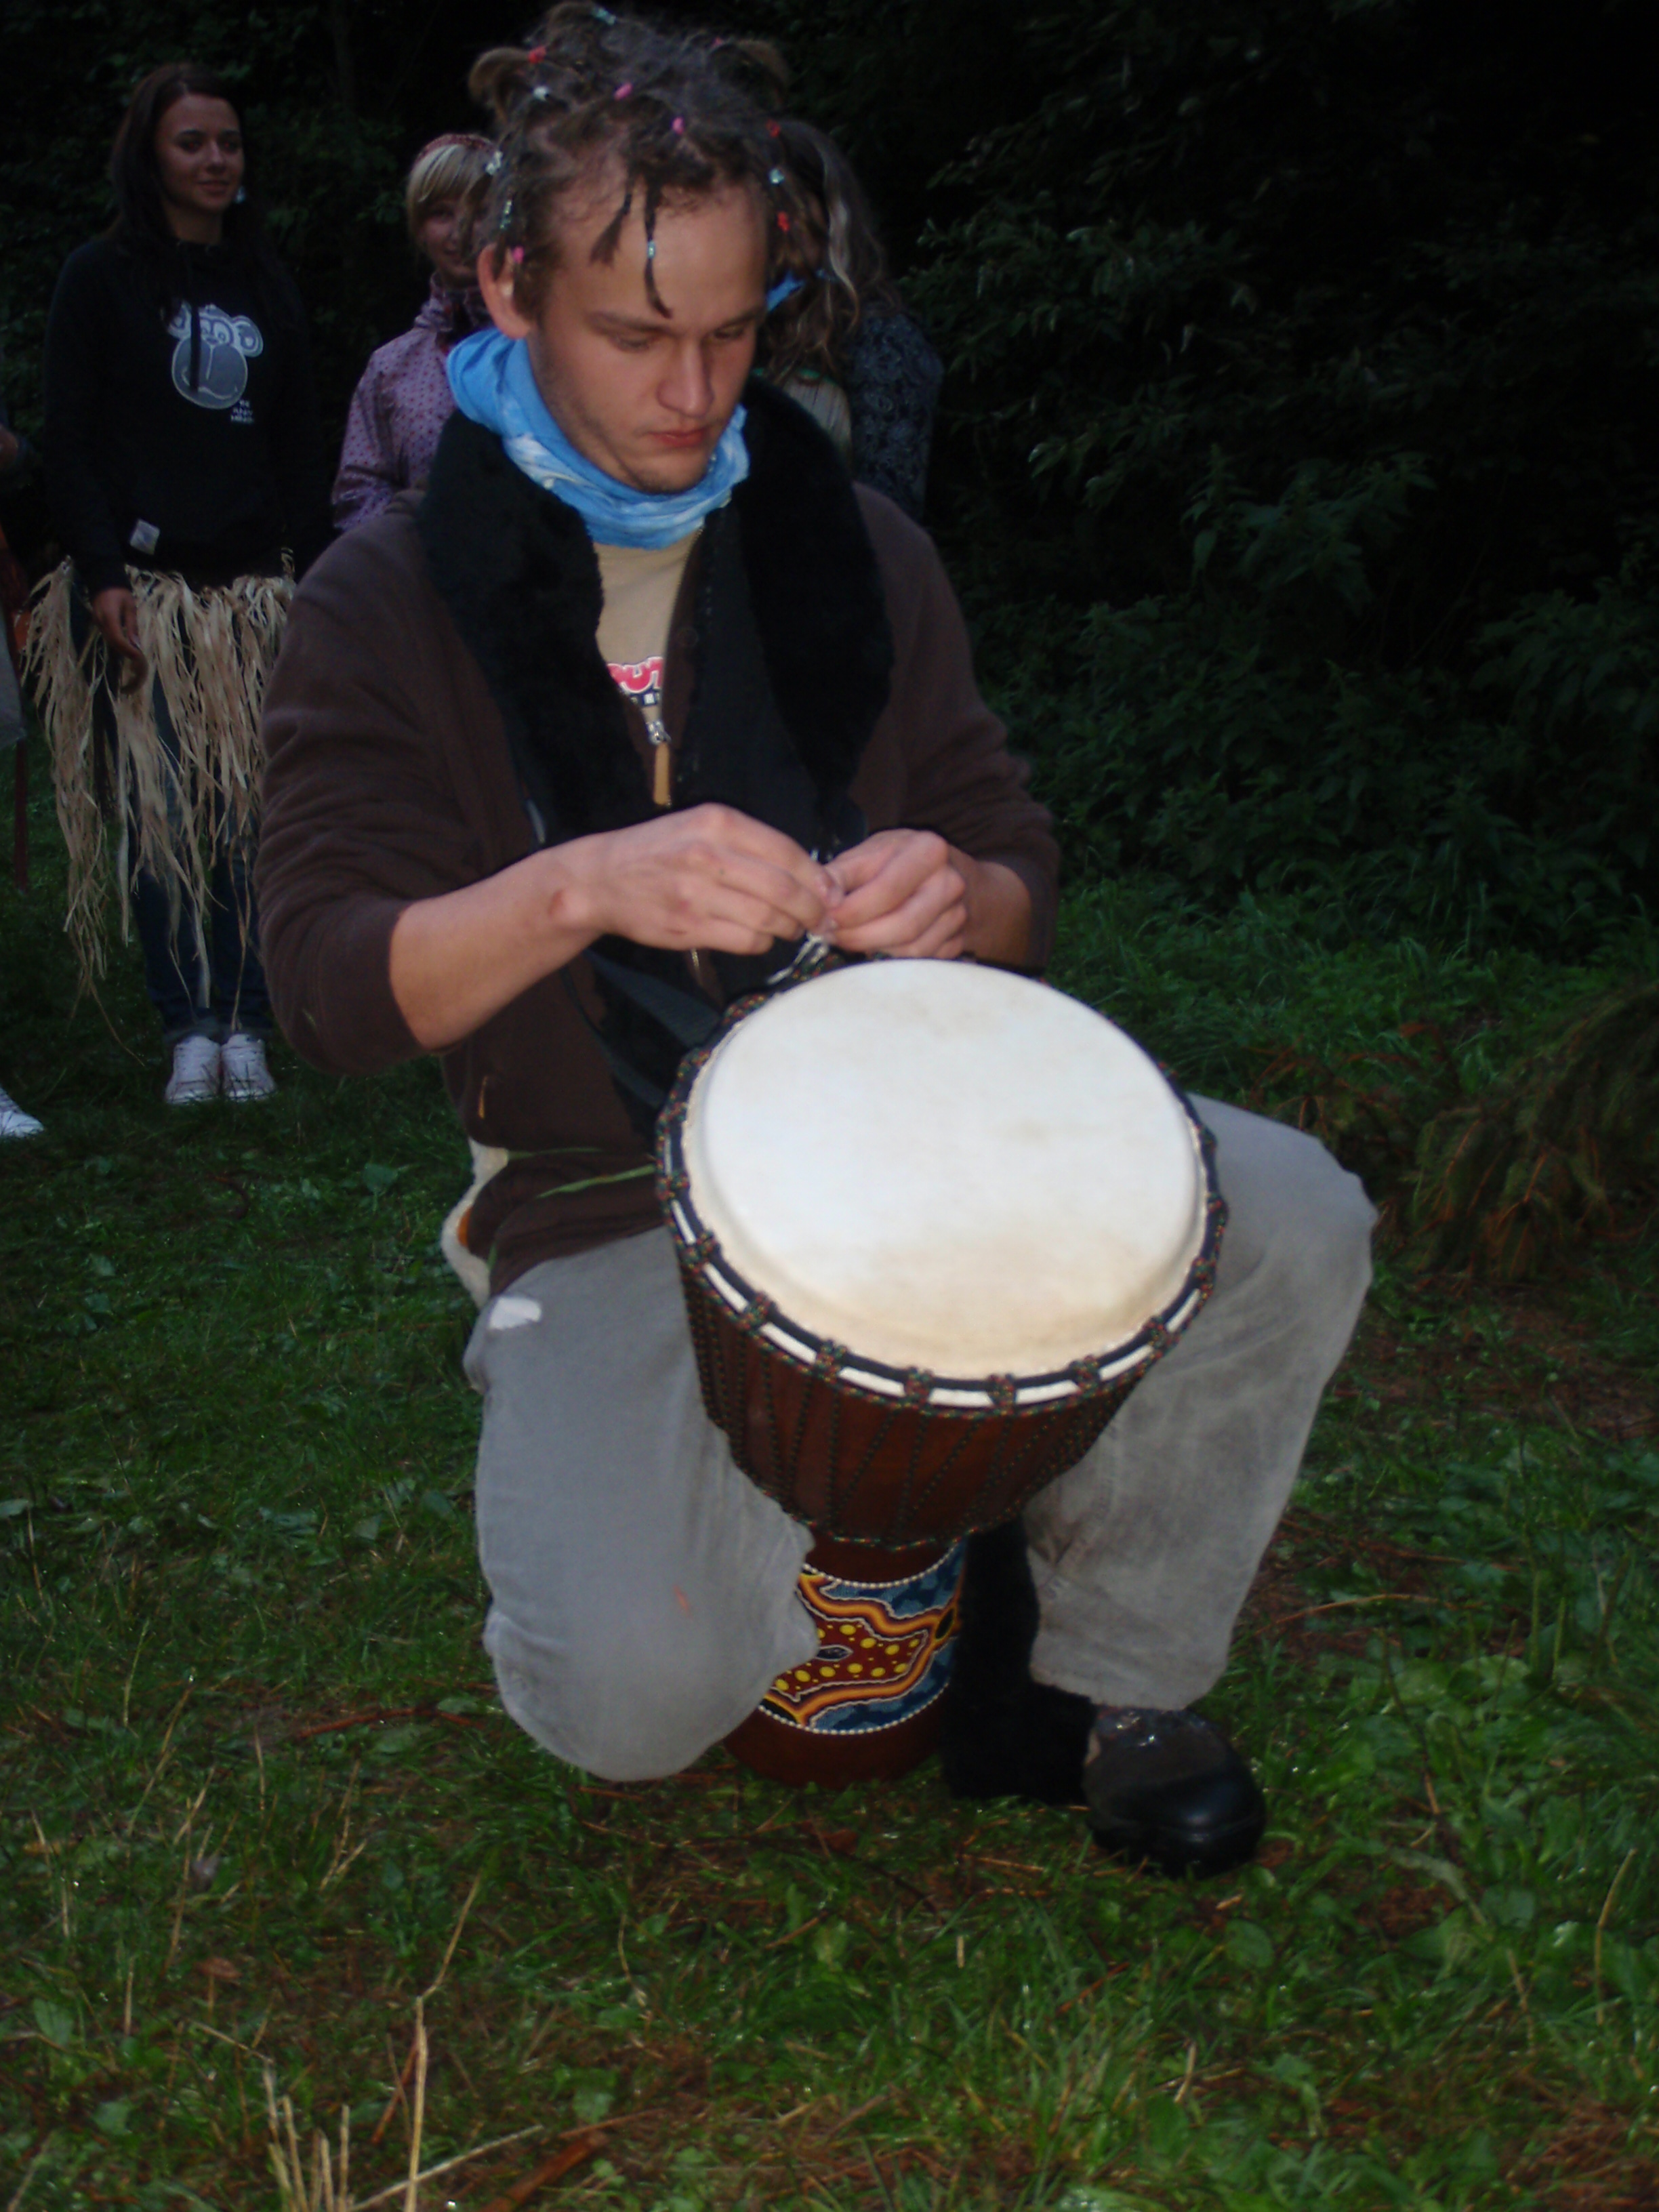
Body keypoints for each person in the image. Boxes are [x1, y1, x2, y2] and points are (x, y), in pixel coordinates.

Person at [256, 5, 1373, 1877]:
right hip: (605, 1187)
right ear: (509, 287)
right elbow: (324, 983)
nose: (694, 393)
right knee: (625, 1702)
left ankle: (1113, 1673)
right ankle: (873, 1502)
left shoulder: (848, 544)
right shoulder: (388, 601)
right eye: (636, 336)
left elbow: (1014, 860)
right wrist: (581, 884)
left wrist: (962, 899)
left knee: (1291, 1216)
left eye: (732, 331)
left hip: (908, 1130)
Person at [27, 62, 331, 1105]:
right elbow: (69, 441)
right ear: (148, 155)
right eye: (191, 142)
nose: (214, 160)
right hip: (144, 597)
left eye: (228, 143)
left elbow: (299, 446)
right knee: (156, 810)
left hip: (249, 596)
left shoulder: (266, 285)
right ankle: (186, 1029)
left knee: (248, 812)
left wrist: (309, 578)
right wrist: (102, 571)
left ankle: (247, 1021)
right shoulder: (99, 278)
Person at [762, 118, 941, 524]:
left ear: (828, 216)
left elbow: (890, 515)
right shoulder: (740, 335)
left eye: (785, 211)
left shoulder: (880, 338)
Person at [333, 134, 496, 531]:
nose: (461, 232)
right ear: (420, 229)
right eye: (442, 214)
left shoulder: (549, 348)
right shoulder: (391, 368)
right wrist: (413, 546)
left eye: (480, 212)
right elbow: (358, 492)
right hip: (419, 567)